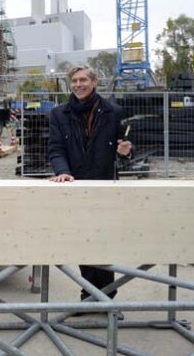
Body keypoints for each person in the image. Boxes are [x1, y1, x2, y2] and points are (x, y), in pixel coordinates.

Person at [48, 65, 132, 303]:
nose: (78, 85)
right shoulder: (59, 114)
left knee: (102, 243)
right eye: (74, 81)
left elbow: (125, 146)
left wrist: (125, 151)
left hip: (104, 186)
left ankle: (106, 298)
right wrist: (63, 172)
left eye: (83, 79)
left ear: (94, 82)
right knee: (82, 243)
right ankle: (88, 296)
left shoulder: (113, 112)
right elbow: (55, 149)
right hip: (74, 187)